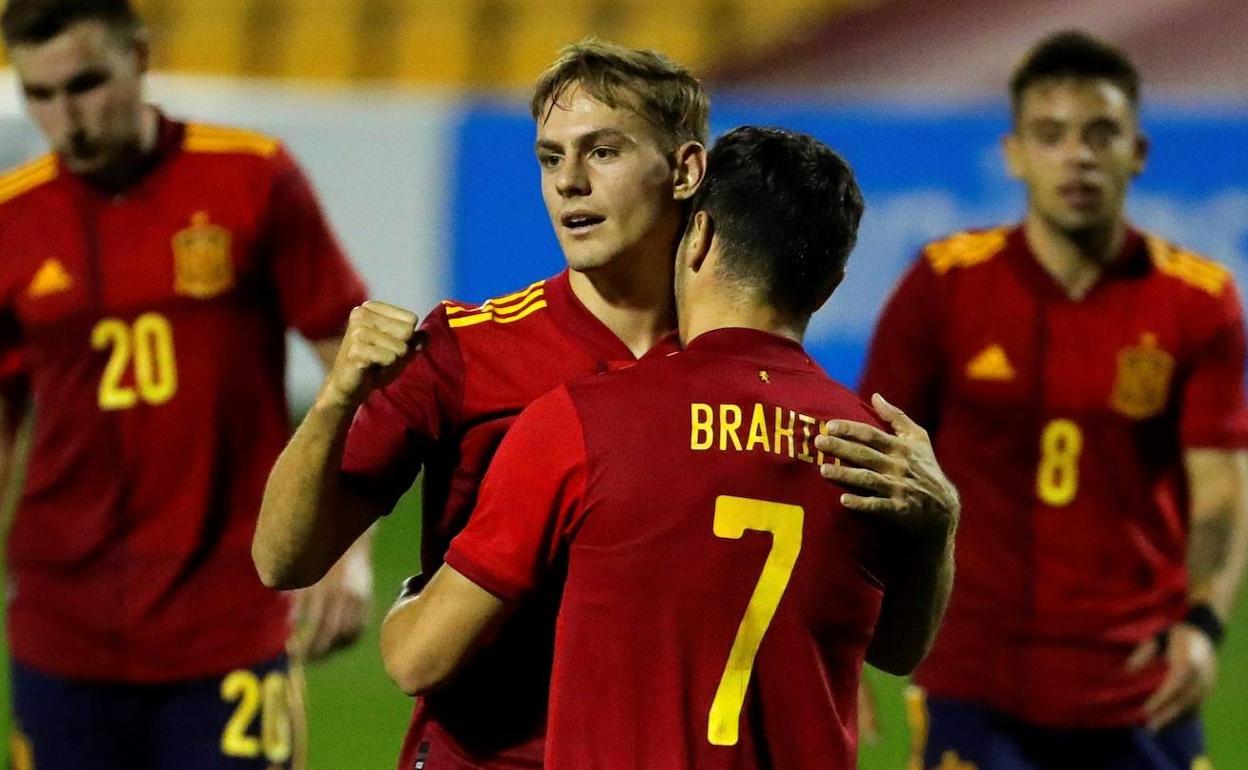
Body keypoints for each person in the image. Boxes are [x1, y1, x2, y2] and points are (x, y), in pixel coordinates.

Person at [376, 126, 959, 770]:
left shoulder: (584, 421)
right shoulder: (869, 447)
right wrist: (940, 531)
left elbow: (417, 658)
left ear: (699, 237)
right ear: (830, 284)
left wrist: (414, 594)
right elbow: (899, 651)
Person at [858, 30, 1248, 770]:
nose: (1078, 156)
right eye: (1052, 134)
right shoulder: (944, 285)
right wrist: (838, 638)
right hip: (974, 681)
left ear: (1137, 151)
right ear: (1014, 154)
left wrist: (1203, 623)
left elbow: (1222, 490)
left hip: (1139, 687)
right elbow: (868, 464)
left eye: (1101, 134)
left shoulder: (1197, 301)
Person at [0, 1, 373, 767]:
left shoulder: (250, 176)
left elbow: (356, 360)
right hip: (60, 629)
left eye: (86, 83)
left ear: (141, 59)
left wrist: (349, 545)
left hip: (229, 622)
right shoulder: (12, 221)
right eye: (38, 95)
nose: (65, 119)